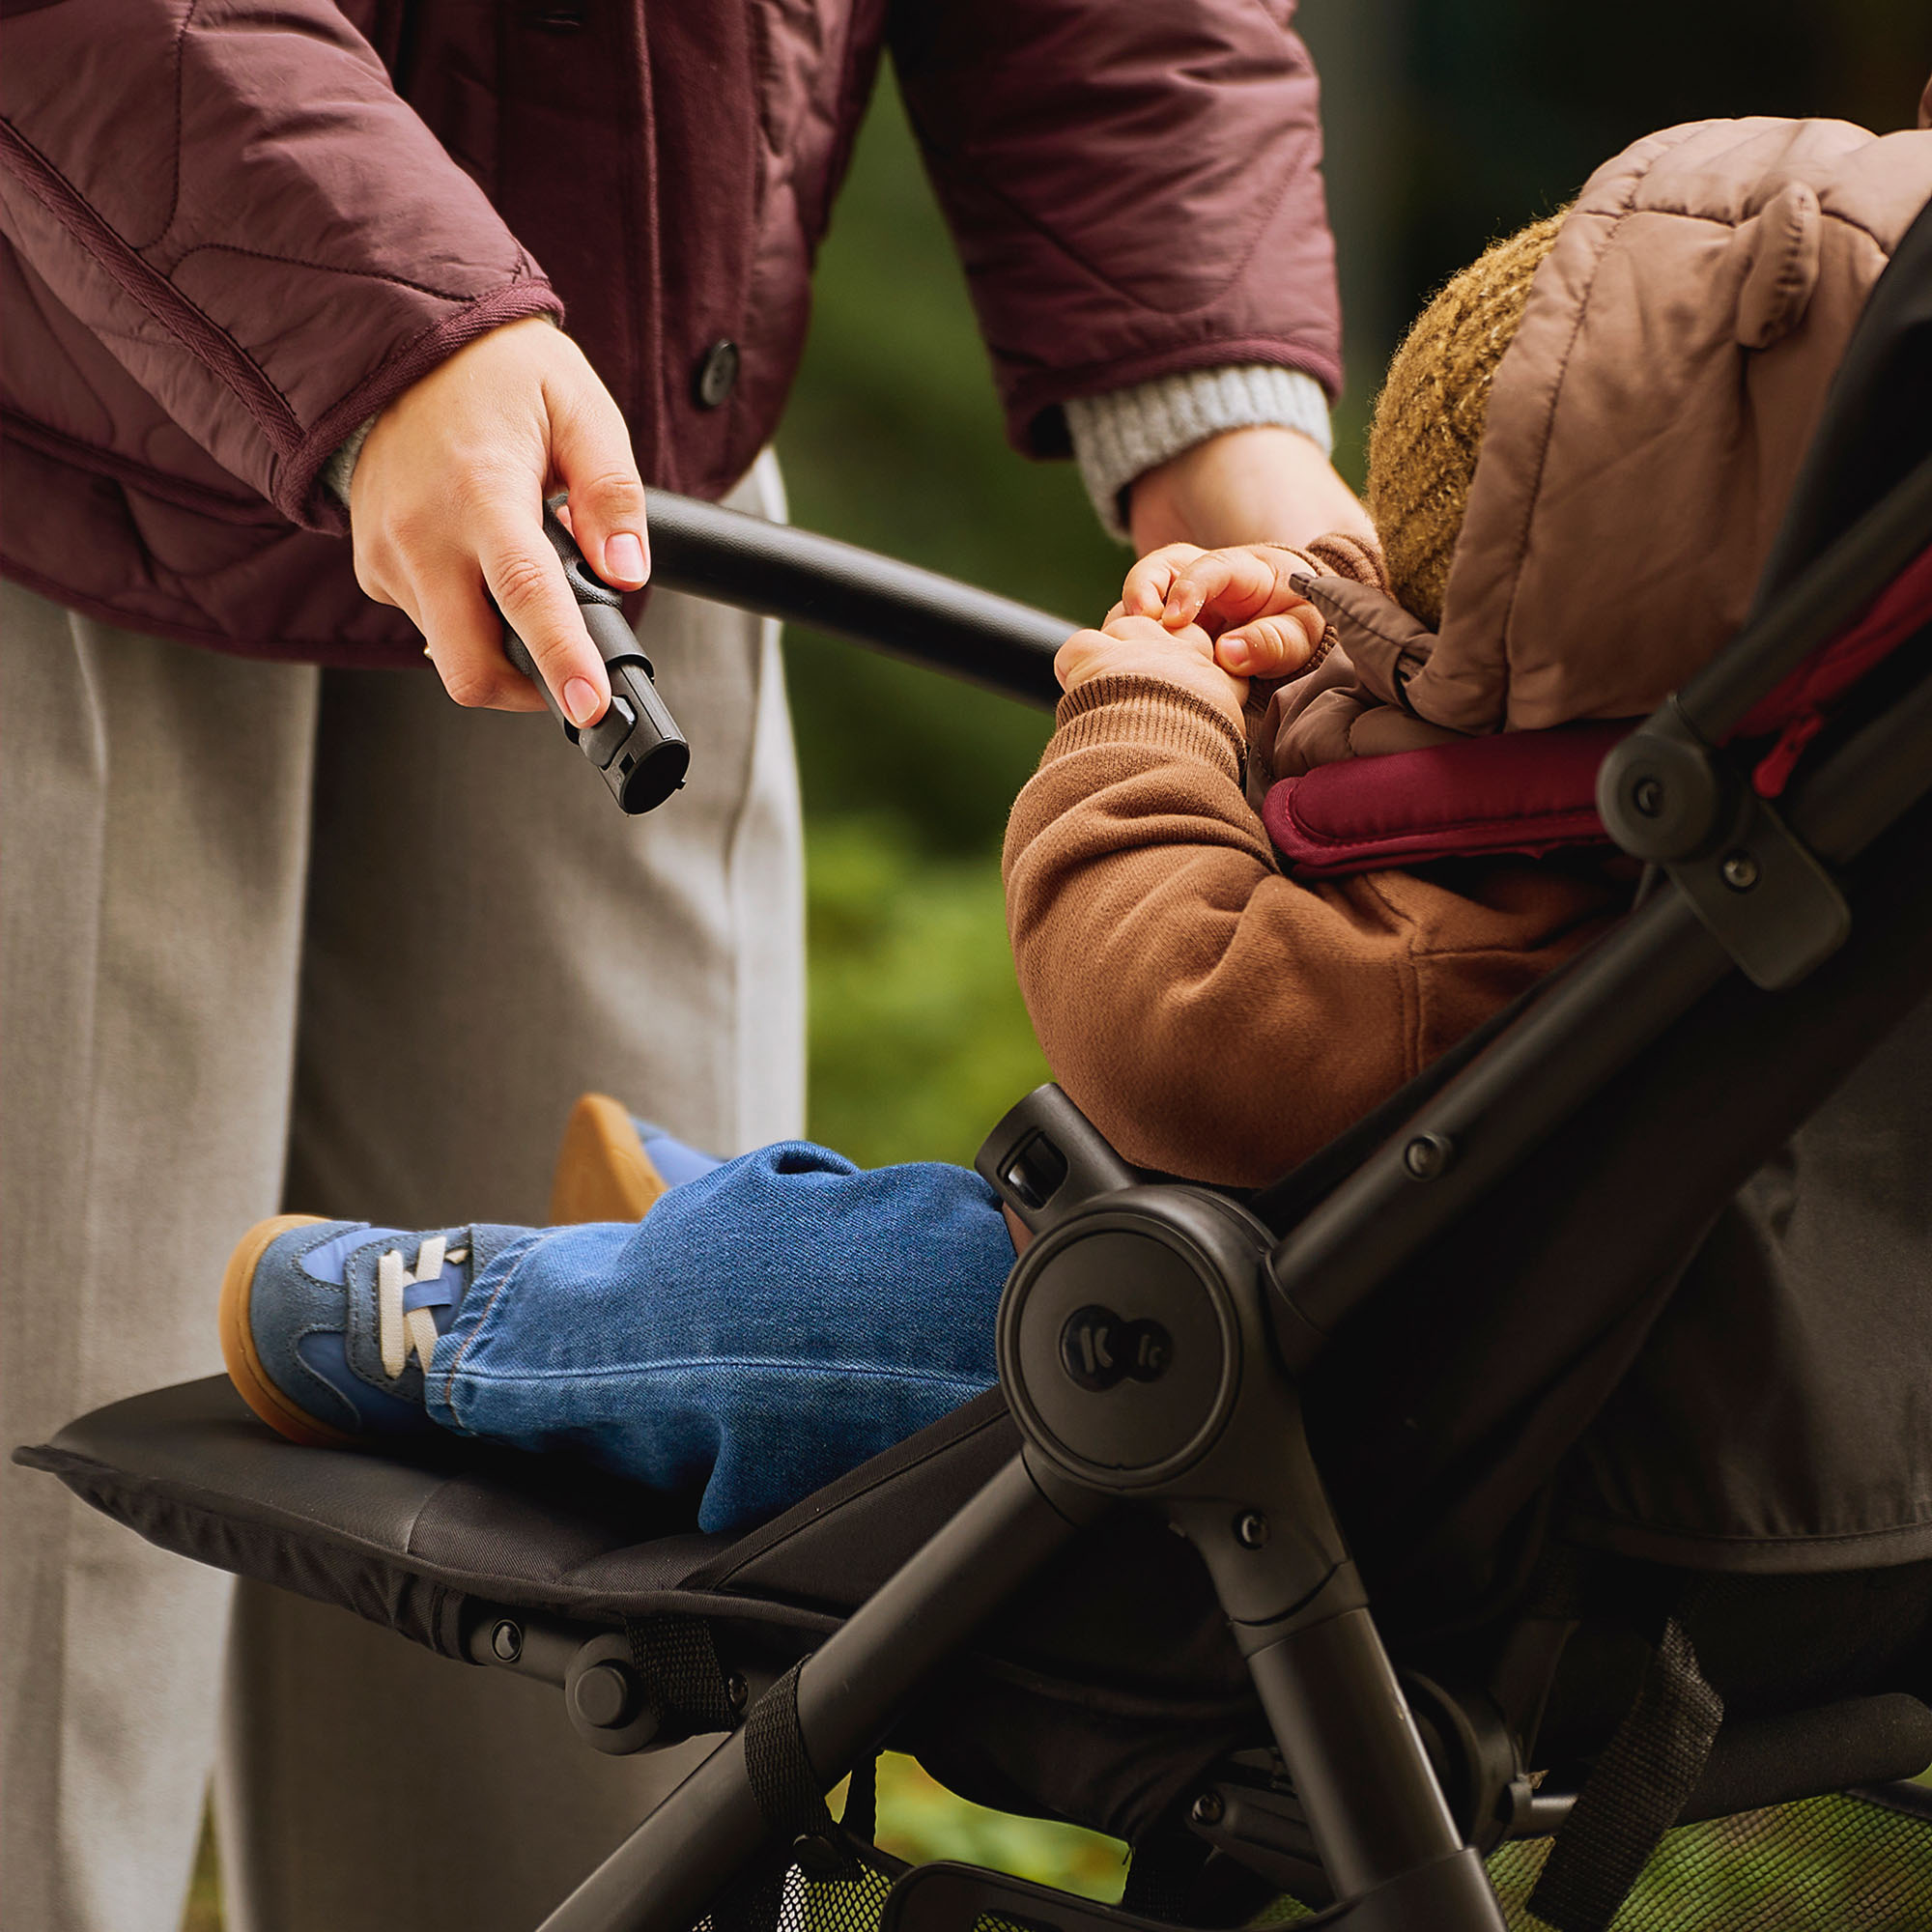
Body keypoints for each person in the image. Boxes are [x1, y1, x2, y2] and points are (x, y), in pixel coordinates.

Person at [1, 5, 1368, 1928]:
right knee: (36, 1643)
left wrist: (1217, 417)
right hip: (54, 392)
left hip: (625, 471)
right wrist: (386, 311)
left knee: (616, 1646)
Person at [212, 102, 1932, 1535]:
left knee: (834, 1297)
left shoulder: (1479, 939)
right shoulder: (1771, 835)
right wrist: (1337, 626)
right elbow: (1529, 695)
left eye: (1444, 603)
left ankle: (486, 1320)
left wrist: (1148, 711)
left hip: (1196, 1394)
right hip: (1551, 1393)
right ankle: (702, 1226)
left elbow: (1169, 1018)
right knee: (890, 1238)